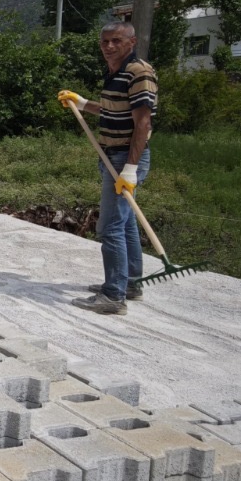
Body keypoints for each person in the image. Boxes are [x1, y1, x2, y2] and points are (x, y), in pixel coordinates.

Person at [56, 21, 159, 316]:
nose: (109, 46)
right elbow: (113, 109)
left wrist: (130, 168)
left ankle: (113, 296)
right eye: (104, 42)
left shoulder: (139, 71)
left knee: (109, 226)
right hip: (110, 154)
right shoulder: (115, 71)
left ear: (131, 42)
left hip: (125, 158)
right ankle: (130, 284)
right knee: (125, 223)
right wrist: (82, 101)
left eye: (116, 41)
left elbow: (143, 122)